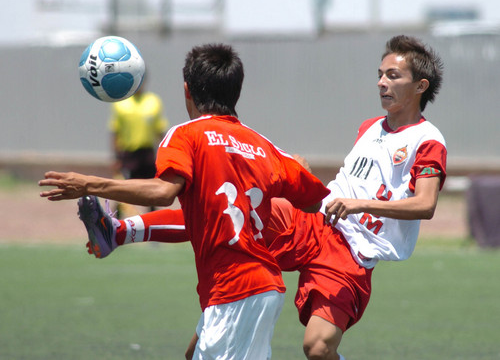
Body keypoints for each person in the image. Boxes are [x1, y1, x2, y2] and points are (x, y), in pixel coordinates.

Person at [74, 35, 447, 360]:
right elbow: (339, 189)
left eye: (393, 76)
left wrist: (357, 205)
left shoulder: (427, 140)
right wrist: (303, 177)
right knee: (227, 205)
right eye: (380, 75)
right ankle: (119, 231)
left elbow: (424, 205)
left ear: (420, 86)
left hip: (353, 251)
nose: (382, 82)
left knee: (317, 349)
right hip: (315, 222)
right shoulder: (369, 128)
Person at [39, 43, 330, 360]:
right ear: (237, 91)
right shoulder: (264, 147)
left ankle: (118, 231)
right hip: (253, 287)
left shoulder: (187, 135)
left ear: (186, 90)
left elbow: (163, 193)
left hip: (236, 291)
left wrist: (89, 183)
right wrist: (300, 170)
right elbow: (315, 201)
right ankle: (118, 231)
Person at [109, 76, 168, 216]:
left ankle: (153, 219)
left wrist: (165, 155)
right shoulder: (121, 103)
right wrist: (116, 157)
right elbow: (115, 132)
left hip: (147, 153)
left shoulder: (153, 102)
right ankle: (115, 220)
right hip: (128, 154)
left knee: (152, 189)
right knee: (121, 189)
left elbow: (160, 130)